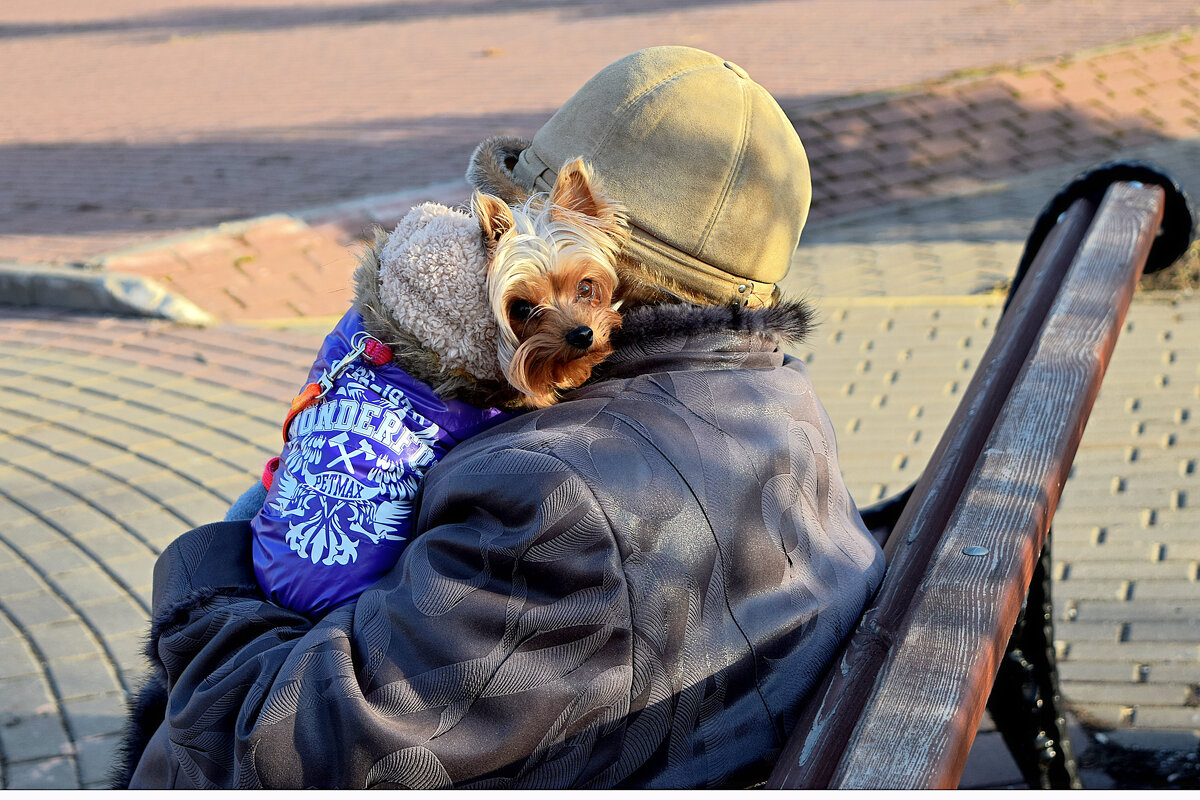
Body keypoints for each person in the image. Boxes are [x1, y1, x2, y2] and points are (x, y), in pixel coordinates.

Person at [116, 46, 886, 789]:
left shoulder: (558, 494)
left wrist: (207, 572)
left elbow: (276, 751)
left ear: (606, 268)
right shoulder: (775, 393)